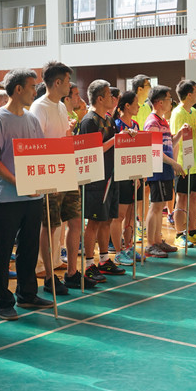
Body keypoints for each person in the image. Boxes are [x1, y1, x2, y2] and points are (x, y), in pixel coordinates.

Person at [0, 68, 54, 321]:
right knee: (3, 251)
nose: (35, 91)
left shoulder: (31, 119)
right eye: (32, 86)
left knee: (29, 247)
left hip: (33, 196)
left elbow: (40, 154)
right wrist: (19, 182)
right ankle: (3, 301)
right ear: (18, 89)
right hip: (7, 196)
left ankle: (27, 293)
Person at [29, 62, 86, 292]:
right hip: (50, 173)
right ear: (57, 82)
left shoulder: (62, 107)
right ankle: (48, 276)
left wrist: (68, 133)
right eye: (68, 81)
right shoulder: (39, 108)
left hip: (66, 170)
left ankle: (72, 272)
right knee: (50, 225)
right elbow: (38, 143)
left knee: (75, 220)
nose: (70, 85)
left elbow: (62, 136)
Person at [78, 80, 126, 281]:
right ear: (99, 99)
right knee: (94, 222)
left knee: (107, 219)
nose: (113, 98)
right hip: (96, 180)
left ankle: (104, 260)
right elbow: (92, 150)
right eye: (109, 95)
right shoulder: (89, 121)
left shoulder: (108, 119)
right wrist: (115, 140)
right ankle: (89, 264)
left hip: (111, 175)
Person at [144, 86, 184, 257]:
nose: (171, 102)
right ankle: (150, 244)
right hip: (157, 171)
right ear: (159, 102)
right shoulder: (152, 122)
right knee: (155, 206)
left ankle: (158, 240)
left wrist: (180, 134)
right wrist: (174, 163)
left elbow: (168, 144)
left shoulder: (163, 121)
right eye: (168, 99)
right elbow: (155, 151)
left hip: (166, 169)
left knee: (160, 207)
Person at [170, 80, 196, 246]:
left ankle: (193, 231)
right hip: (182, 164)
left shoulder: (194, 112)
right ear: (188, 95)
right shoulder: (177, 113)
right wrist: (175, 164)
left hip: (195, 163)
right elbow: (173, 140)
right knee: (181, 199)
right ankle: (179, 234)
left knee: (195, 198)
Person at [112, 90, 142, 265]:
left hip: (134, 176)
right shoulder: (117, 125)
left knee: (131, 214)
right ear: (127, 106)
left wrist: (138, 175)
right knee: (119, 216)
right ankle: (118, 252)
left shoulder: (136, 124)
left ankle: (129, 247)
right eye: (136, 104)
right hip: (120, 175)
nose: (139, 107)